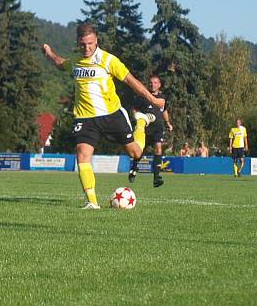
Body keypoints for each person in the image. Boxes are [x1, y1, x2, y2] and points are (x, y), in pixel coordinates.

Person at [43, 23, 165, 209]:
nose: (87, 48)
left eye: (90, 43)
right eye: (83, 44)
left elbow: (134, 83)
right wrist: (49, 53)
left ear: (96, 40)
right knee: (82, 155)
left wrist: (153, 101)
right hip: (85, 118)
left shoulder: (108, 60)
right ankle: (92, 202)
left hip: (112, 115)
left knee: (136, 153)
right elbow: (61, 64)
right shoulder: (76, 62)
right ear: (78, 42)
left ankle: (140, 123)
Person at [129, 74, 173, 187]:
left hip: (157, 129)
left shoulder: (162, 98)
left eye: (155, 83)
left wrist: (168, 123)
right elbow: (134, 109)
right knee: (139, 151)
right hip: (144, 129)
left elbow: (164, 111)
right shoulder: (142, 96)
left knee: (158, 148)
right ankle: (134, 168)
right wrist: (136, 116)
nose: (152, 84)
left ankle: (156, 177)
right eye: (150, 83)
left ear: (159, 85)